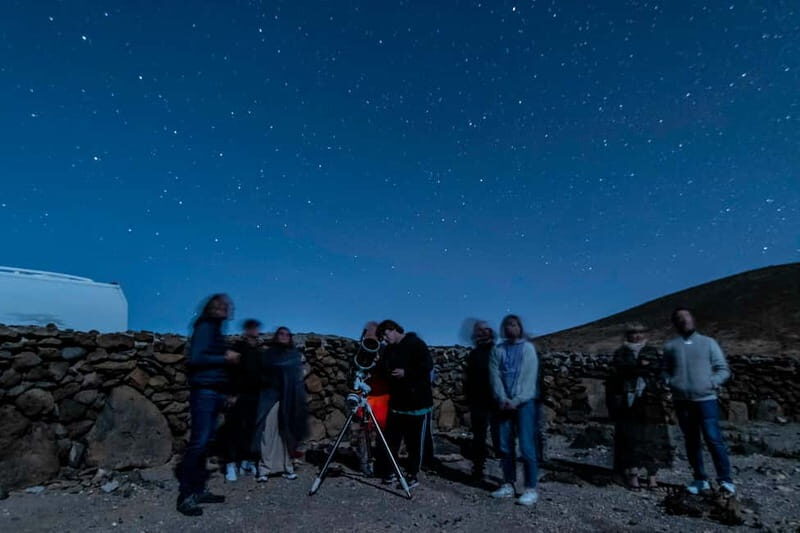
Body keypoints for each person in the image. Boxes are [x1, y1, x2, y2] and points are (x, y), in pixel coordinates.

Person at [177, 294, 240, 517]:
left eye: (227, 305)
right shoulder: (205, 327)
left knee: (204, 443)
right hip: (204, 392)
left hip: (212, 392)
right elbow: (197, 357)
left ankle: (198, 489)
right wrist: (225, 357)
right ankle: (186, 495)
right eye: (221, 305)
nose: (225, 308)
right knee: (199, 442)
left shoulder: (214, 329)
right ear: (212, 308)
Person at [662, 308, 735, 495]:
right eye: (679, 318)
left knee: (713, 439)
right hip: (682, 401)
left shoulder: (709, 343)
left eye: (686, 317)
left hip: (706, 400)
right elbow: (665, 370)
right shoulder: (670, 346)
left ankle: (726, 481)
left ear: (693, 320)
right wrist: (669, 382)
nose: (684, 321)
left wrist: (712, 382)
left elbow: (723, 369)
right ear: (675, 323)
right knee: (691, 441)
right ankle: (700, 479)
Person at [606, 323, 673, 489]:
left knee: (653, 437)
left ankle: (652, 476)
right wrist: (640, 367)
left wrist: (641, 369)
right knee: (632, 437)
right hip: (628, 399)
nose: (636, 336)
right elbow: (619, 371)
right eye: (633, 333)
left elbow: (658, 369)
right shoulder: (621, 353)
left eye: (640, 332)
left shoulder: (652, 351)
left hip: (651, 398)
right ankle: (633, 474)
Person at [375, 319, 433, 489]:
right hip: (397, 404)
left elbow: (426, 366)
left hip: (417, 403)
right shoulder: (389, 350)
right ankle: (392, 471)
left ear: (392, 329)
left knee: (414, 443)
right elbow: (384, 370)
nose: (385, 340)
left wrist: (406, 373)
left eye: (386, 335)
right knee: (392, 440)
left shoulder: (416, 344)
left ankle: (413, 474)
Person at [489, 314, 540, 506]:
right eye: (507, 325)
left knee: (526, 446)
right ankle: (508, 483)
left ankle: (530, 488)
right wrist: (502, 398)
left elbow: (529, 378)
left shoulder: (528, 349)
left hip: (524, 403)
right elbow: (494, 376)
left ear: (520, 327)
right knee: (504, 445)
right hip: (503, 404)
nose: (511, 328)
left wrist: (517, 400)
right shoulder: (498, 349)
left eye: (514, 325)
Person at [253, 326, 308, 482]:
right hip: (271, 397)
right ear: (276, 336)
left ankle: (286, 467)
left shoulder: (293, 355)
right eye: (281, 334)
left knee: (286, 434)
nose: (284, 337)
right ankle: (265, 469)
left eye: (287, 334)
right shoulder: (269, 354)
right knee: (268, 432)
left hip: (288, 399)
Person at [221, 319, 264, 482]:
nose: (254, 331)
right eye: (251, 328)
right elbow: (229, 372)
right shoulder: (237, 348)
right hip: (237, 395)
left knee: (251, 430)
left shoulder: (258, 352)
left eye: (255, 328)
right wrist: (231, 393)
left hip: (254, 397)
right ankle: (230, 464)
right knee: (233, 429)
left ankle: (247, 461)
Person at [464, 320, 497, 482]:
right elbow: (469, 378)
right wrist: (469, 396)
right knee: (479, 436)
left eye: (485, 330)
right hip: (478, 400)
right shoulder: (474, 354)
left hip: (497, 400)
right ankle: (478, 468)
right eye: (479, 330)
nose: (482, 333)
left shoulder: (498, 351)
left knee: (500, 436)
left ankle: (505, 475)